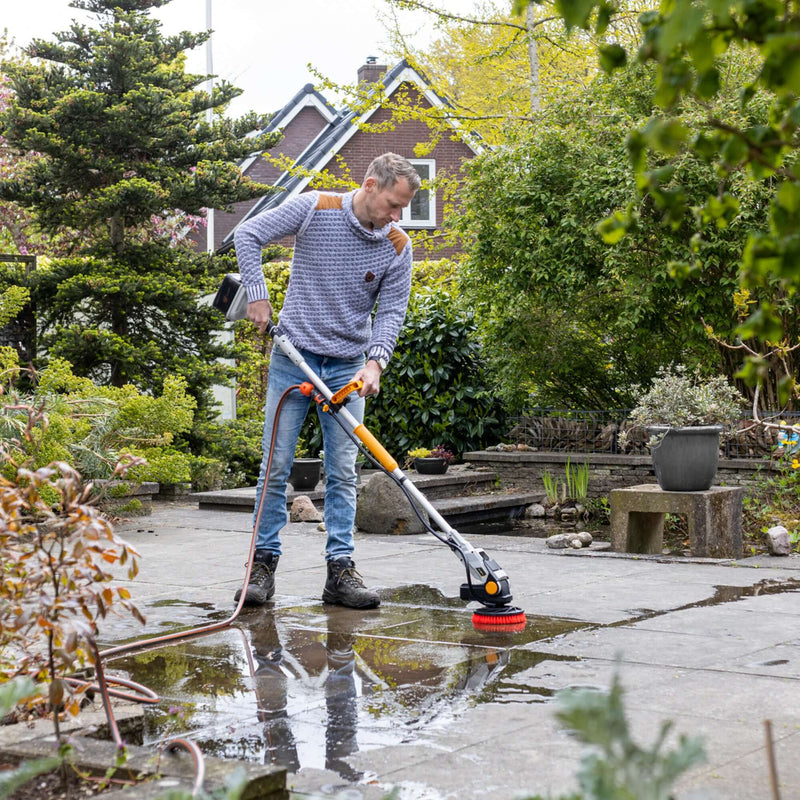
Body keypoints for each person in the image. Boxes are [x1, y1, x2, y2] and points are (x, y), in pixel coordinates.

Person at [233, 152, 420, 609]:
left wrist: (374, 363)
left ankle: (340, 572)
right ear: (370, 184)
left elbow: (392, 312)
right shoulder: (316, 207)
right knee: (275, 468)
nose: (397, 217)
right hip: (293, 360)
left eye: (403, 210)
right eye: (393, 205)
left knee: (342, 472)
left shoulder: (397, 245)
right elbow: (247, 233)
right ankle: (262, 567)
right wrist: (257, 294)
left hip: (344, 369)